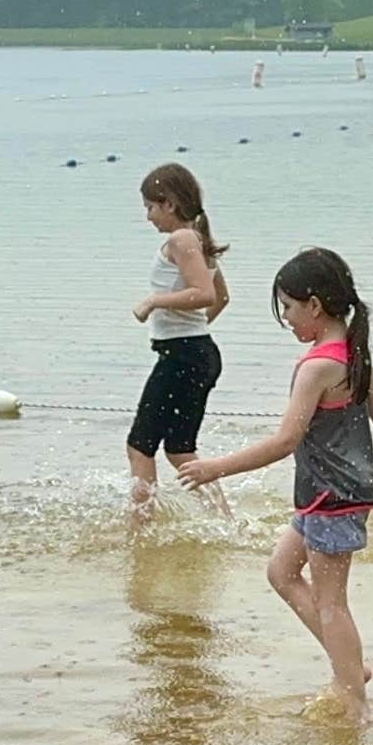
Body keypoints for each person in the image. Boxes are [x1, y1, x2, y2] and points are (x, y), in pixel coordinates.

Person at [179, 248, 373, 719]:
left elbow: (285, 441)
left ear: (314, 305)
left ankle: (355, 701)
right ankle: (350, 666)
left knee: (332, 604)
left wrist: (215, 468)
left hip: (331, 498)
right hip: (333, 495)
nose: (286, 318)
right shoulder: (353, 352)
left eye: (288, 307)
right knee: (281, 573)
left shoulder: (318, 368)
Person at [126, 163, 231, 519]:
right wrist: (191, 331)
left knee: (140, 446)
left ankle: (140, 526)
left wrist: (155, 302)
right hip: (196, 353)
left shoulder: (182, 240)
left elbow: (204, 294)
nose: (148, 217)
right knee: (179, 449)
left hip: (183, 357)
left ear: (169, 203)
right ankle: (226, 521)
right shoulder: (198, 239)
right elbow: (222, 297)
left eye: (150, 208)